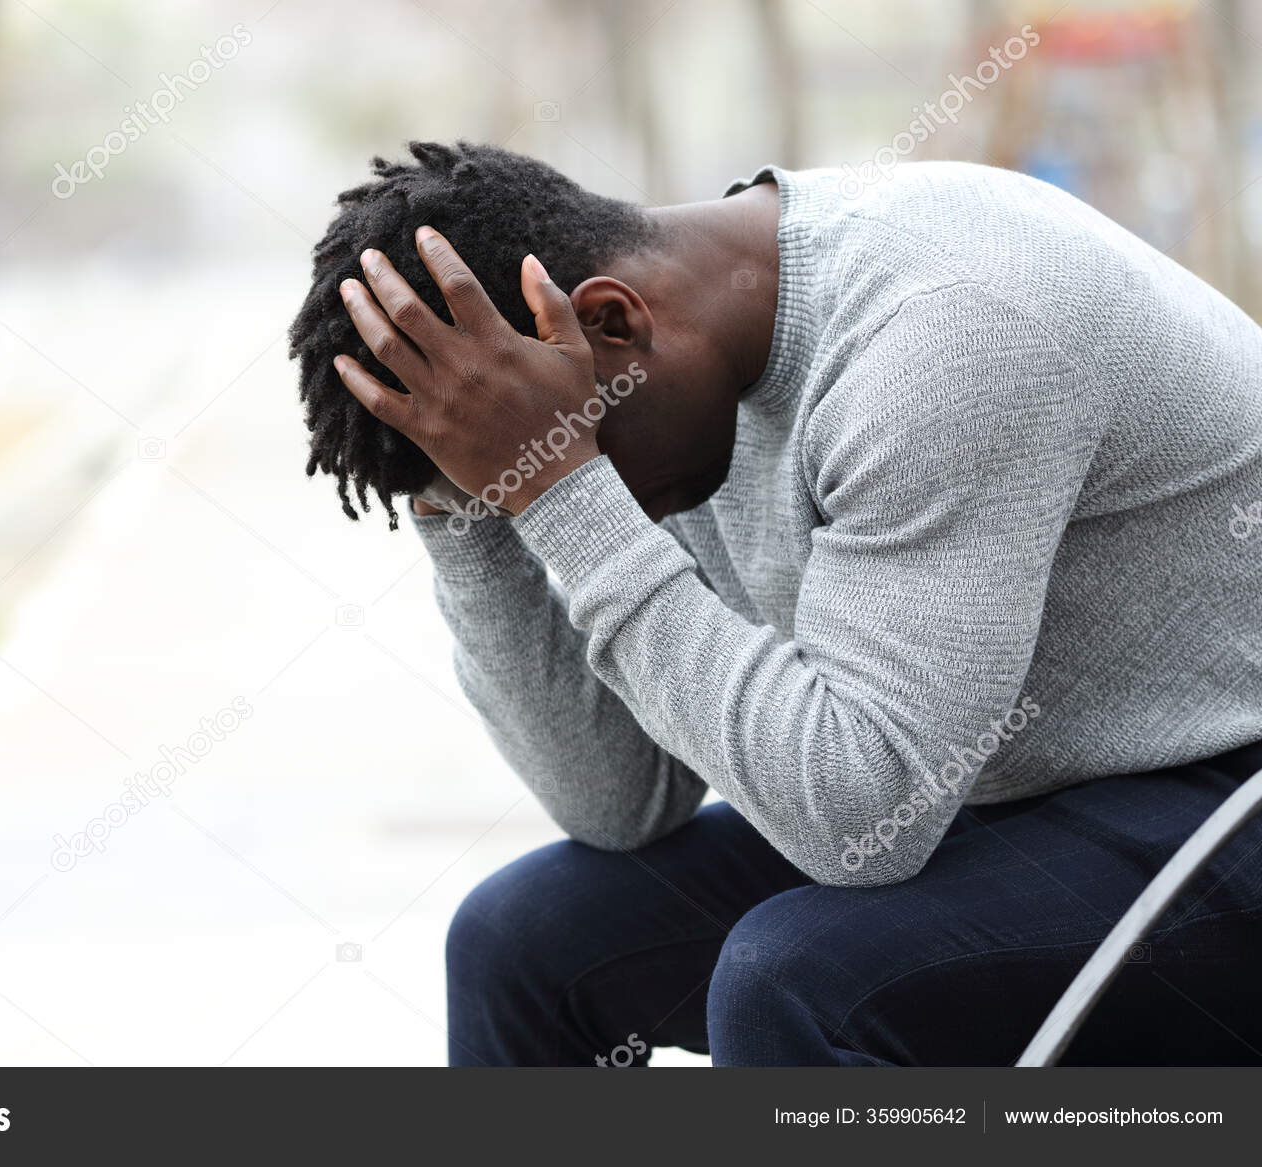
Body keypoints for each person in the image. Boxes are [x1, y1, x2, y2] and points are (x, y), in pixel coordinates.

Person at [287, 141, 1262, 1065]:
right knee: (523, 939)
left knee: (801, 977)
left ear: (613, 322)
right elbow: (619, 804)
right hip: (995, 793)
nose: (581, 499)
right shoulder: (642, 380)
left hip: (1227, 793)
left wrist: (559, 487)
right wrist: (478, 515)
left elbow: (860, 817)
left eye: (549, 457)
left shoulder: (945, 324)